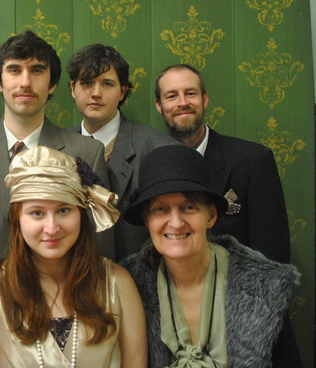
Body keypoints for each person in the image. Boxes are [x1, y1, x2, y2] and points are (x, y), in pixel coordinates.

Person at [0, 30, 109, 278]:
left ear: (53, 84)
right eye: (14, 70)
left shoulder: (87, 153)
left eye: (37, 70)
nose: (25, 82)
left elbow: (99, 248)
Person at [0, 146, 147, 367]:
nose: (51, 228)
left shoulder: (117, 283)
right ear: (17, 218)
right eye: (37, 213)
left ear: (81, 214)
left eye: (63, 210)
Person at [120, 144, 301, 367]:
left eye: (188, 207)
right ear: (147, 220)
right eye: (161, 209)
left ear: (211, 216)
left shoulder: (263, 288)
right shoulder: (129, 288)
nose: (175, 223)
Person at [154, 64, 290, 263]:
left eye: (190, 93)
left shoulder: (253, 161)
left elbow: (272, 255)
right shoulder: (150, 164)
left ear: (204, 99)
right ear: (159, 105)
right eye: (172, 96)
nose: (182, 103)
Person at [67, 44, 176, 260]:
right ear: (73, 89)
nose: (96, 93)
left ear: (122, 91)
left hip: (139, 273)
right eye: (87, 83)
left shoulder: (159, 149)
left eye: (107, 84)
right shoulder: (55, 148)